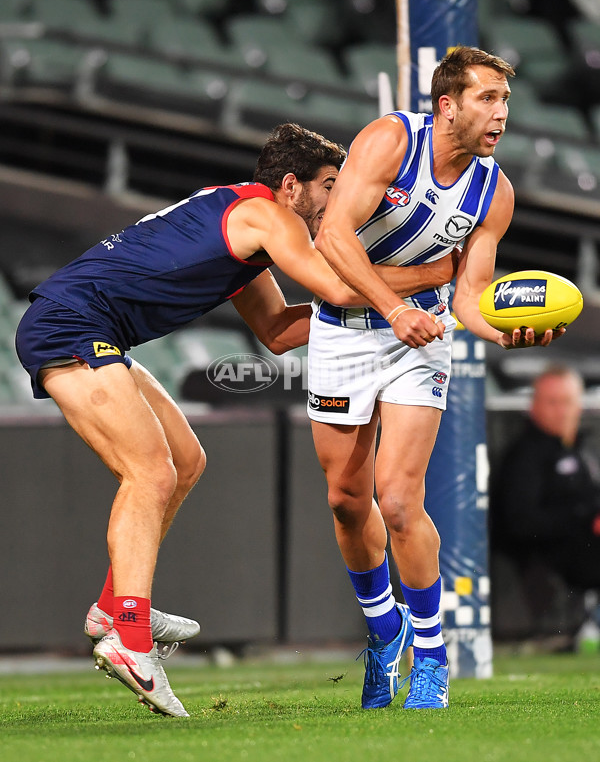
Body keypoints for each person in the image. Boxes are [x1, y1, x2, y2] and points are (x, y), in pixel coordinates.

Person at [15, 122, 457, 718]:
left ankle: (113, 607)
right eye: (332, 184)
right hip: (69, 325)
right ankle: (131, 637)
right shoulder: (268, 216)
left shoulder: (246, 227)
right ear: (292, 186)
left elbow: (280, 333)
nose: (342, 196)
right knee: (149, 473)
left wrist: (381, 308)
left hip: (96, 331)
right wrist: (432, 276)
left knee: (187, 460)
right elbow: (337, 286)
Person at [309, 46, 564, 711]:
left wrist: (507, 330)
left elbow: (469, 296)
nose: (500, 113)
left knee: (396, 500)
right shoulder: (392, 140)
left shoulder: (494, 191)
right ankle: (383, 626)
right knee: (345, 498)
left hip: (418, 338)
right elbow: (331, 238)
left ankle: (430, 654)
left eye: (505, 101)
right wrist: (392, 305)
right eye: (487, 98)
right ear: (446, 104)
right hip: (342, 328)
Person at [490, 366, 600, 647]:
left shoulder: (579, 448)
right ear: (535, 405)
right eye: (553, 402)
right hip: (550, 555)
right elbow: (520, 522)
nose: (561, 411)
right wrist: (585, 520)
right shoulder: (525, 455)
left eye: (567, 402)